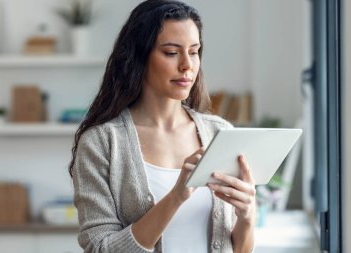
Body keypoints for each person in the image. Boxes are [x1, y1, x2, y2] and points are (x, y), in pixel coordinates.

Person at [69, 0, 256, 252]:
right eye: (171, 52)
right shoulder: (101, 142)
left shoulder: (219, 132)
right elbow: (100, 247)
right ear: (139, 56)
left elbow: (239, 249)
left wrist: (247, 215)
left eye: (194, 51)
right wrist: (176, 197)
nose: (187, 65)